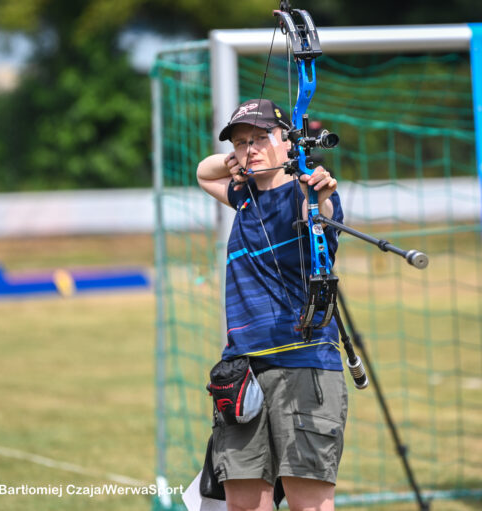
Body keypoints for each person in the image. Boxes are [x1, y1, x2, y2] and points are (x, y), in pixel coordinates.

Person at [196, 98, 346, 511]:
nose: (251, 148)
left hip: (303, 364)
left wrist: (318, 191)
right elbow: (203, 172)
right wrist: (238, 160)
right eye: (242, 142)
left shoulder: (305, 195)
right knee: (243, 503)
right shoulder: (243, 197)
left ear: (288, 141)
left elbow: (323, 209)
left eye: (262, 137)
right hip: (242, 370)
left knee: (308, 503)